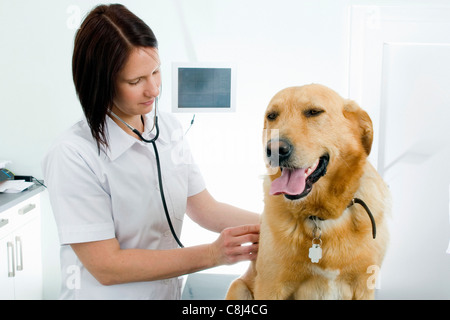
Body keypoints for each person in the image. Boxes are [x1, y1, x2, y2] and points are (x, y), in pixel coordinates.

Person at [42, 4, 259, 300]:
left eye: (156, 71)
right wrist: (212, 254)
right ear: (101, 84)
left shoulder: (168, 129)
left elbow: (205, 209)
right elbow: (107, 266)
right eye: (136, 81)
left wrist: (284, 226)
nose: (154, 89)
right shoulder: (73, 154)